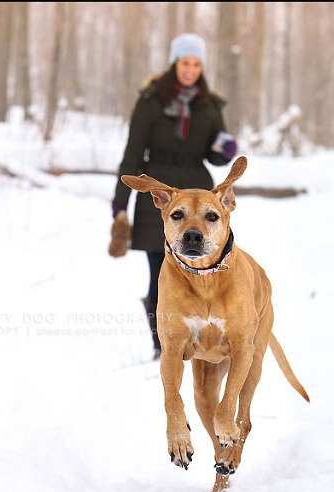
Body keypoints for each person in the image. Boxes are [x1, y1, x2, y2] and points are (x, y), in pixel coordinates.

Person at [111, 33, 238, 360]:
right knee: (162, 275)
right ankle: (162, 345)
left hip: (199, 192)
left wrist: (227, 149)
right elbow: (133, 155)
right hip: (161, 199)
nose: (191, 69)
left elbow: (218, 156)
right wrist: (120, 206)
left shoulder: (210, 104)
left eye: (196, 64)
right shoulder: (151, 100)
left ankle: (199, 340)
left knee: (203, 274)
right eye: (185, 62)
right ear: (175, 63)